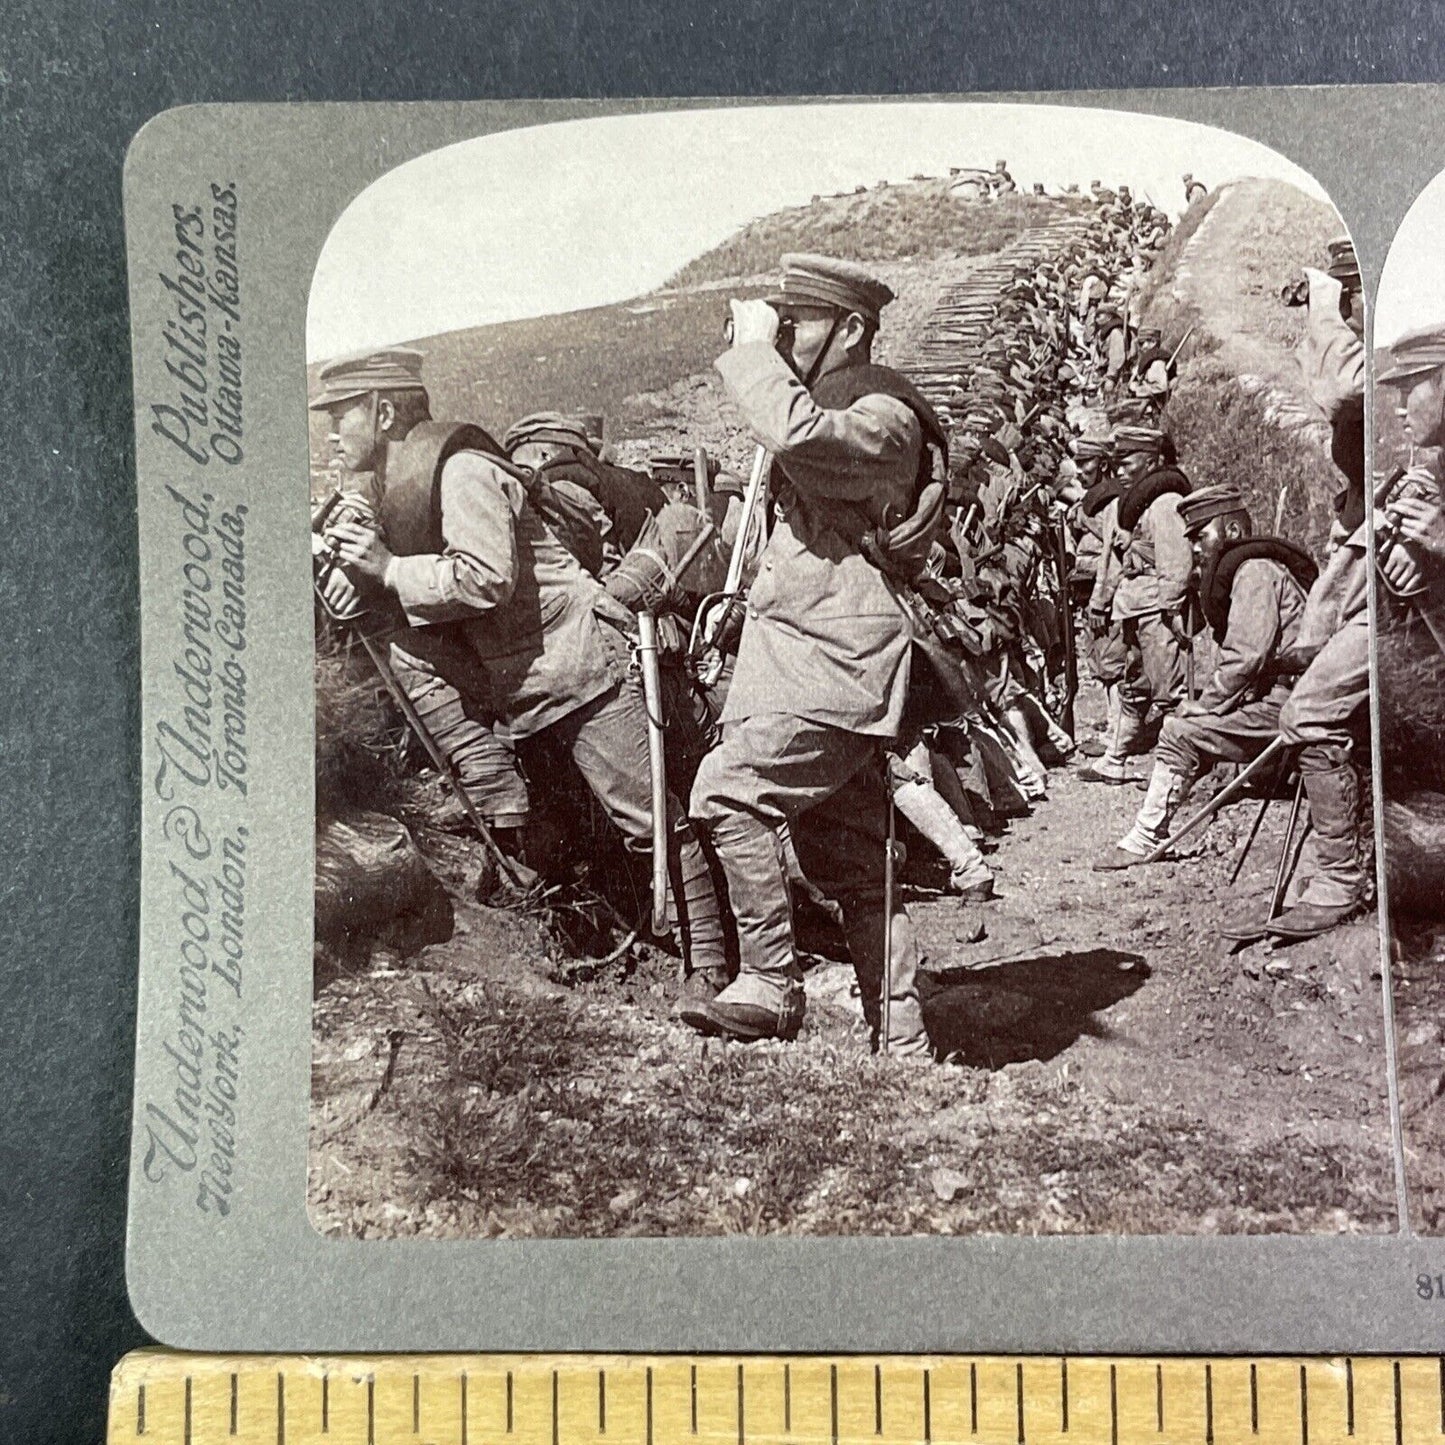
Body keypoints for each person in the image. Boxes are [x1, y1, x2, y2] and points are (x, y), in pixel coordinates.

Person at [311, 348, 729, 978]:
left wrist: (389, 570)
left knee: (648, 818)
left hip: (580, 667)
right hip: (527, 688)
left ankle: (713, 967)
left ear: (385, 412)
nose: (332, 431)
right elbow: (366, 525)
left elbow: (484, 580)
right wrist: (356, 577)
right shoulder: (391, 480)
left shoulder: (463, 473)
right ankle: (615, 941)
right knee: (591, 832)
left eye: (342, 415)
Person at [688, 254, 947, 1054]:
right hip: (809, 662)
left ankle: (768, 982)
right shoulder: (833, 413)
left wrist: (752, 352)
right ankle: (903, 1044)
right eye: (783, 321)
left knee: (728, 795)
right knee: (856, 864)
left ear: (853, 329)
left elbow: (795, 427)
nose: (786, 332)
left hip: (836, 665)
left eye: (798, 320)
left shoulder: (883, 416)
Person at [1094, 484, 1315, 869]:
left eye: (1201, 536)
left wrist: (1206, 705)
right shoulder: (1251, 570)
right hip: (1285, 698)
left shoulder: (1256, 572)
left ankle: (1146, 836)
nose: (1195, 548)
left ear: (1232, 531)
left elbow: (1245, 659)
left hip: (1294, 703)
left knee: (1180, 730)